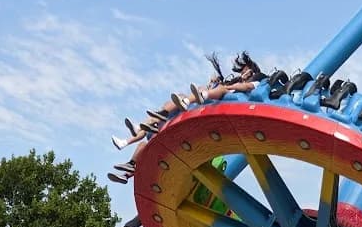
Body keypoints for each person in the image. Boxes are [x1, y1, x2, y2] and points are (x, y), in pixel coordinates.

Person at [107, 53, 265, 184]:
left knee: (195, 94)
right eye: (242, 71)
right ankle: (128, 146)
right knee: (149, 138)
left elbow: (245, 87)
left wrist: (227, 87)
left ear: (252, 71)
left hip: (221, 111)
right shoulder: (234, 83)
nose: (243, 74)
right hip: (208, 106)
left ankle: (184, 103)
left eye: (246, 71)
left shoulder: (255, 82)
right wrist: (214, 84)